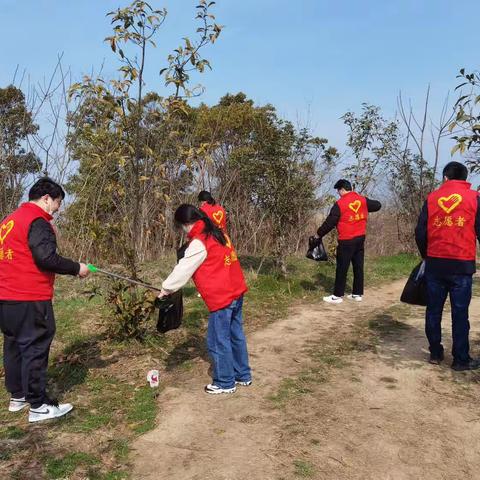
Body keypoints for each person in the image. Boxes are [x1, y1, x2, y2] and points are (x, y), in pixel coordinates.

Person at [0, 178, 90, 422]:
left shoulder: (9, 221)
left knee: (14, 345)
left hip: (6, 297)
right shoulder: (37, 221)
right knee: (36, 347)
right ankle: (38, 405)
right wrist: (76, 268)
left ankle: (17, 396)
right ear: (46, 198)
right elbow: (46, 258)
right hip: (30, 296)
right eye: (58, 202)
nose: (58, 209)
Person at [159, 204, 251, 394]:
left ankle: (225, 382)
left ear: (185, 224)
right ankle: (243, 375)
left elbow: (183, 268)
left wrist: (165, 289)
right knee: (236, 336)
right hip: (236, 291)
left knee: (218, 341)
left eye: (179, 227)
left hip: (221, 297)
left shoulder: (199, 242)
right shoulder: (218, 233)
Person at [415, 161, 480, 371]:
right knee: (460, 312)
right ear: (465, 178)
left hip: (435, 263)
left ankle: (435, 352)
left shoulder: (432, 198)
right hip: (462, 265)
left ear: (445, 178)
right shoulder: (475, 198)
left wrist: (427, 255)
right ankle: (461, 359)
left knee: (433, 310)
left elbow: (420, 232)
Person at [316, 179, 381, 304]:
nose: (338, 193)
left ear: (342, 189)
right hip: (360, 238)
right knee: (358, 266)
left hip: (346, 240)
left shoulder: (340, 204)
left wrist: (319, 233)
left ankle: (337, 296)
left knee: (342, 267)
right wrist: (364, 205)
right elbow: (377, 205)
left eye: (338, 191)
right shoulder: (362, 200)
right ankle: (357, 294)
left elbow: (330, 222)